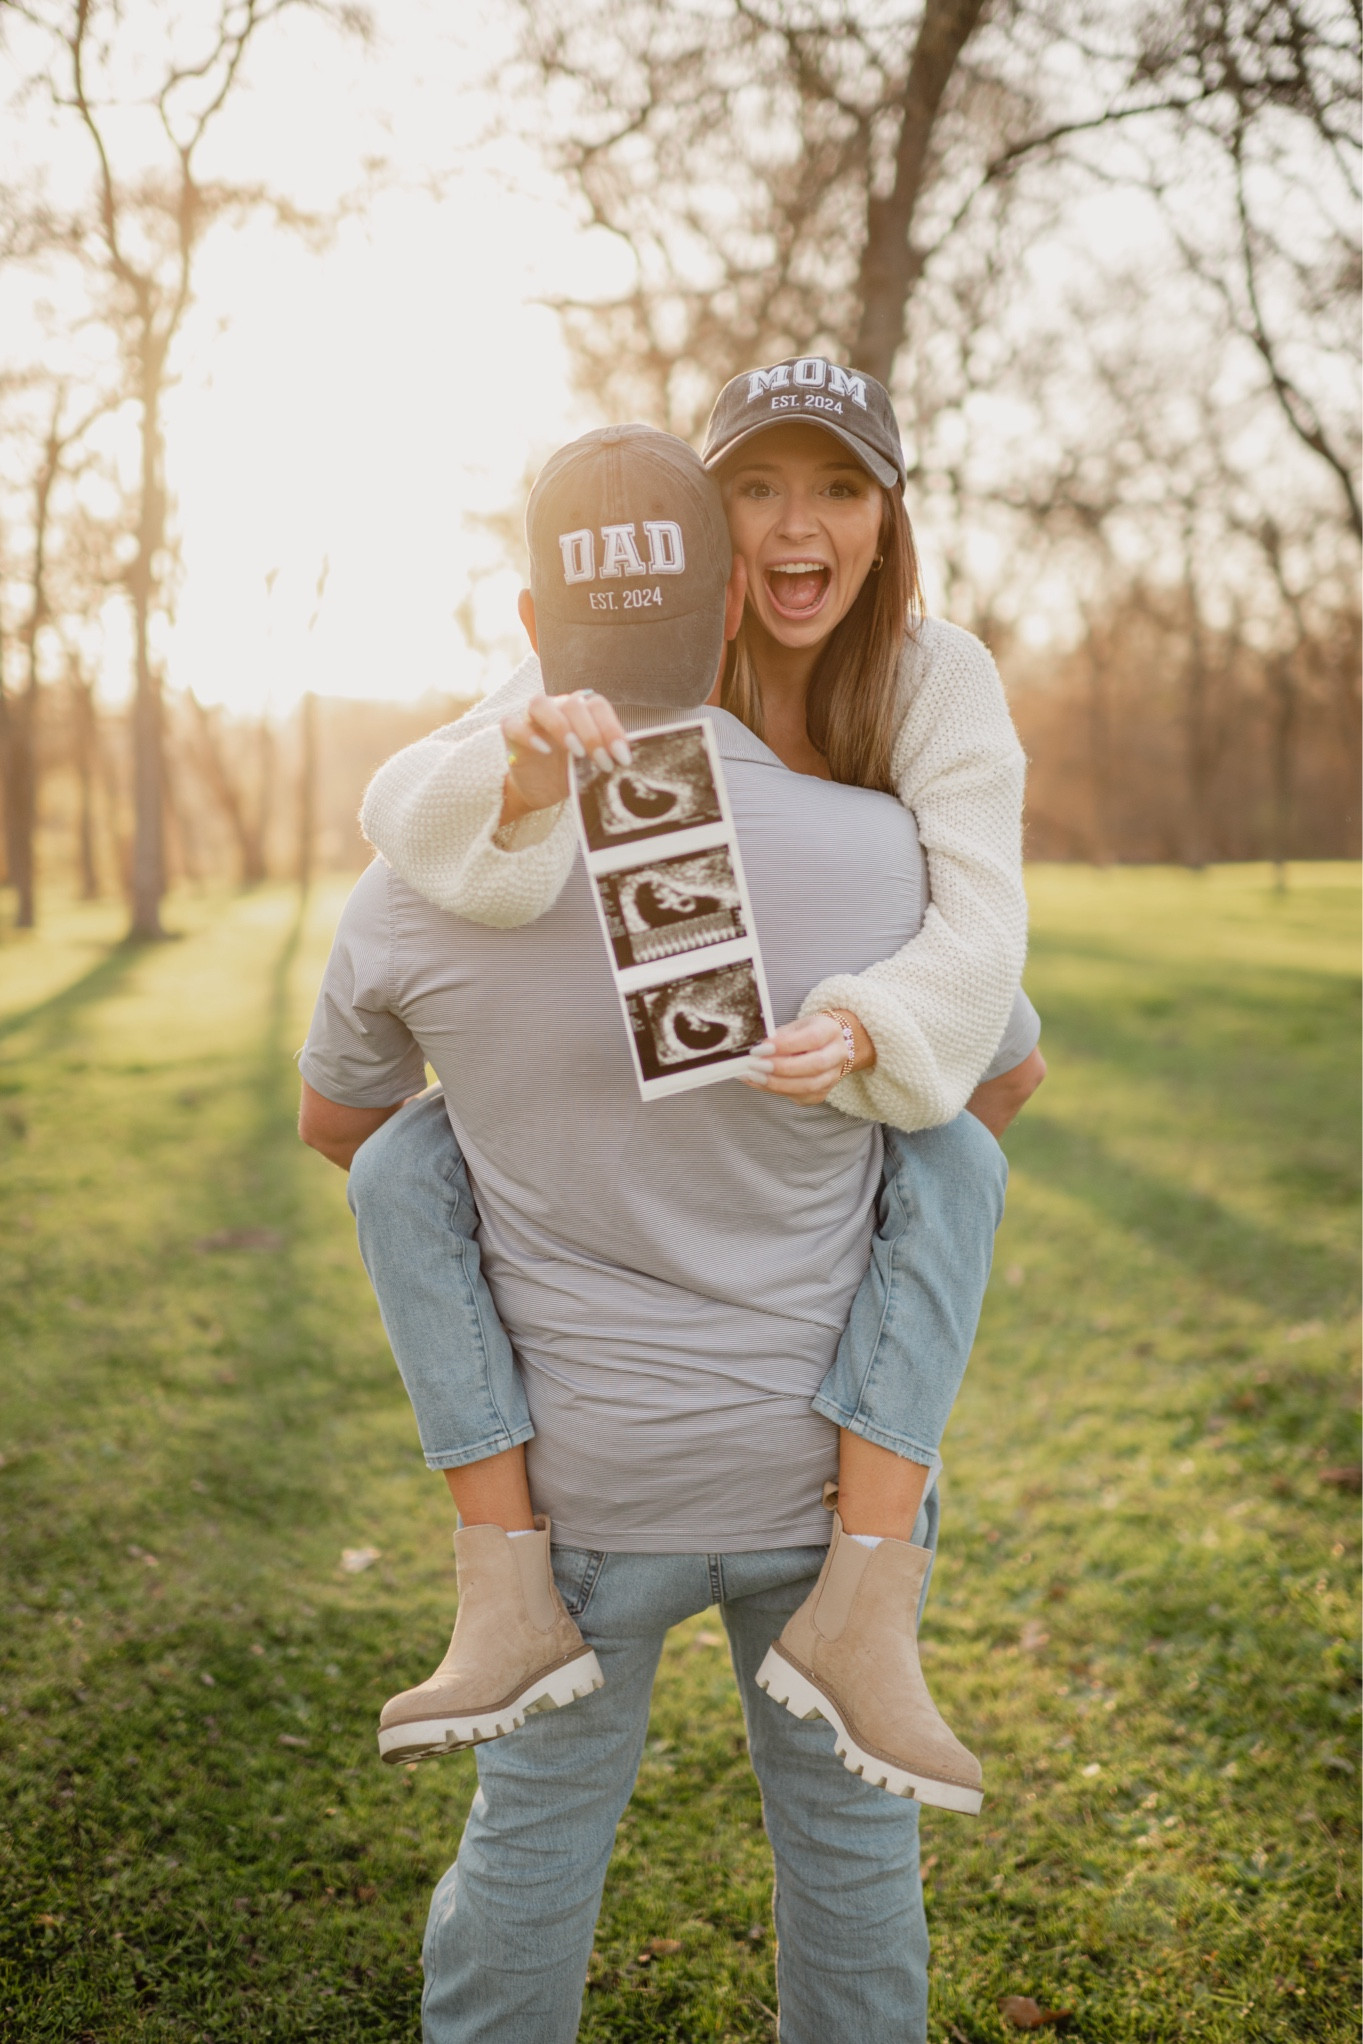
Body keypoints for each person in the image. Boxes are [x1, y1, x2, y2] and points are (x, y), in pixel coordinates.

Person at [298, 422, 1036, 2043]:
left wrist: (515, 1119)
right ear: (726, 612)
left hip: (575, 1492)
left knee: (531, 1849)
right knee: (852, 1854)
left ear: (521, 627)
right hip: (827, 1479)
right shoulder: (886, 855)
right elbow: (1001, 1077)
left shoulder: (416, 884)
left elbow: (342, 1128)